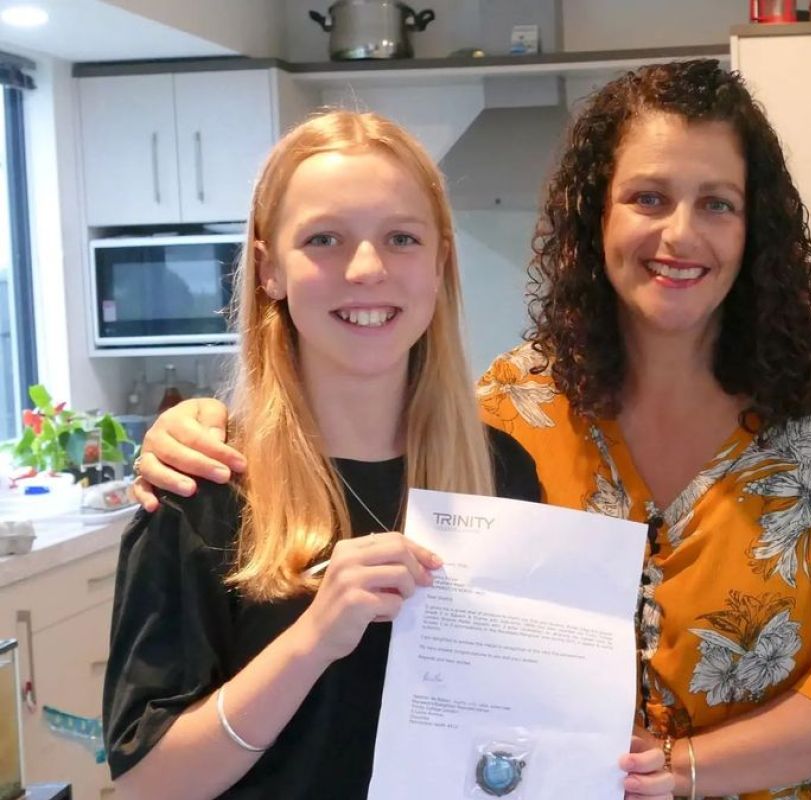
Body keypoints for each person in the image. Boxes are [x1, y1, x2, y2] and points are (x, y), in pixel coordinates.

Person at [132, 60, 811, 799]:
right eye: (648, 198)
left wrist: (688, 770)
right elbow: (366, 415)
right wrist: (205, 425)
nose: (680, 233)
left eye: (717, 204)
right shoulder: (510, 412)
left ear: (753, 228)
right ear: (597, 217)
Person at [104, 110, 669, 800]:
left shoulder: (500, 472)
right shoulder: (204, 487)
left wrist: (589, 751)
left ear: (439, 264)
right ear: (269, 269)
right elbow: (149, 784)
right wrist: (313, 639)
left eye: (401, 238)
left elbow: (507, 736)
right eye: (324, 239)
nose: (367, 268)